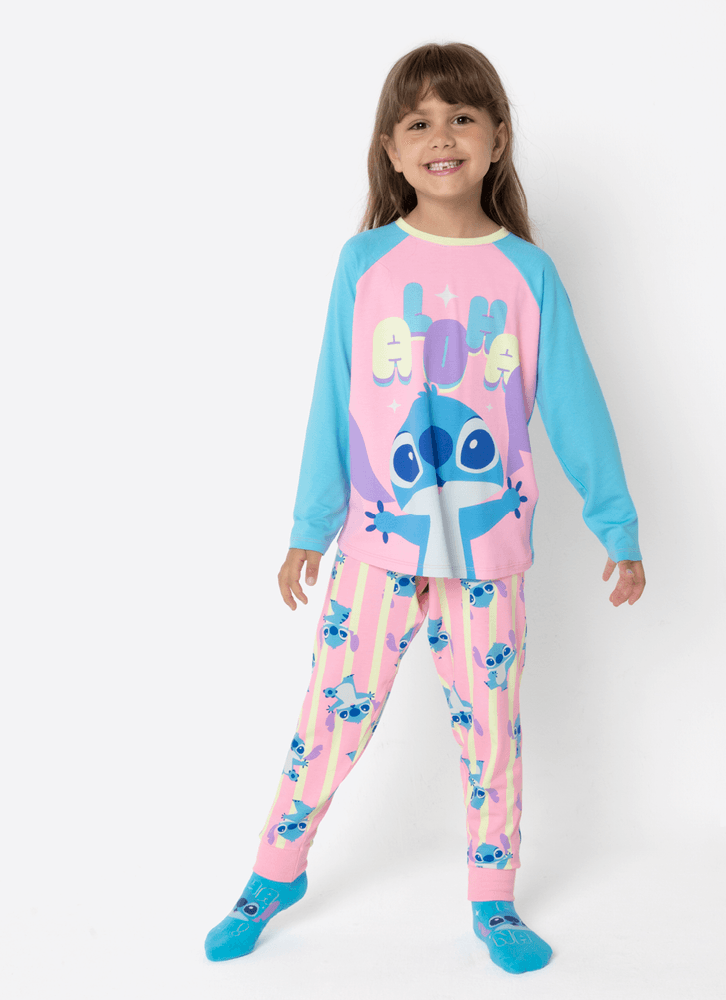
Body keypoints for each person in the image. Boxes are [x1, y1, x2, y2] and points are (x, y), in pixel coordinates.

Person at [204, 41, 645, 974]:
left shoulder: (527, 272)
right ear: (392, 151)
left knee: (492, 730)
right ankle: (275, 872)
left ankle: (493, 897)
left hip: (489, 558)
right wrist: (309, 527)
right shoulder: (365, 262)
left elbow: (575, 404)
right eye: (419, 122)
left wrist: (617, 523)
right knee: (331, 716)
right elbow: (335, 396)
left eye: (462, 117)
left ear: (497, 139)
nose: (442, 136)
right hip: (376, 548)